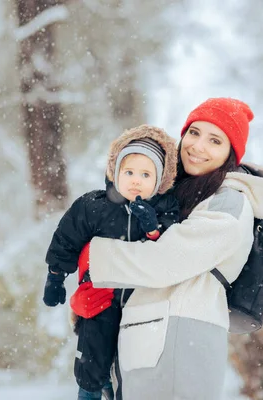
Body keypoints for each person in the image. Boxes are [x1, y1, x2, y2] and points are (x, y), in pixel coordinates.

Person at [72, 98, 263, 400]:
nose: (198, 146)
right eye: (194, 133)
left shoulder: (230, 201)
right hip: (153, 338)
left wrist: (94, 256)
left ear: (230, 154)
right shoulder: (178, 195)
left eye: (215, 140)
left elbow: (166, 261)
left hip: (179, 340)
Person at [42, 125, 179, 400]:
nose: (136, 181)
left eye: (145, 174)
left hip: (142, 302)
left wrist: (152, 227)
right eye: (128, 172)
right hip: (99, 299)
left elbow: (172, 250)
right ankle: (91, 391)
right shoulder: (93, 206)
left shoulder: (165, 209)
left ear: (160, 179)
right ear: (115, 172)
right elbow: (66, 239)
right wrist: (55, 276)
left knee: (134, 365)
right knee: (93, 361)